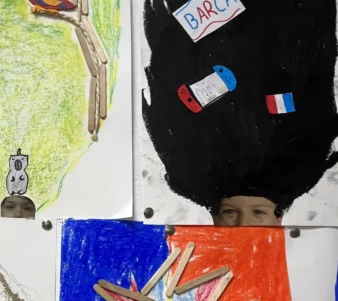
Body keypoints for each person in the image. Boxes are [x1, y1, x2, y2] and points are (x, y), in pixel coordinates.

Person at [143, 0, 338, 226]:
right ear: (279, 218)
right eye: (258, 212)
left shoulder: (189, 162)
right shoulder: (303, 157)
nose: (243, 226)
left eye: (230, 212)